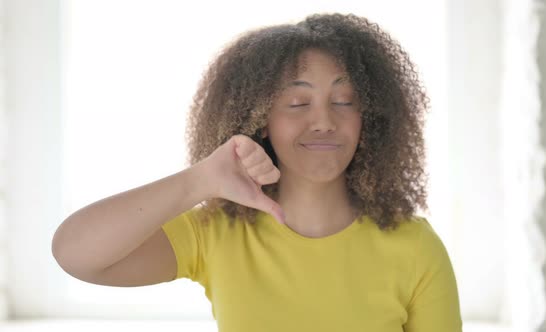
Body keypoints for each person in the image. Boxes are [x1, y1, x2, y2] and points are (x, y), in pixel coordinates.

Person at [52, 12, 462, 332]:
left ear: (367, 117)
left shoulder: (415, 247)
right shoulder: (217, 233)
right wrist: (200, 180)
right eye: (298, 103)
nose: (323, 121)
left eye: (344, 101)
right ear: (261, 120)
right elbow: (76, 255)